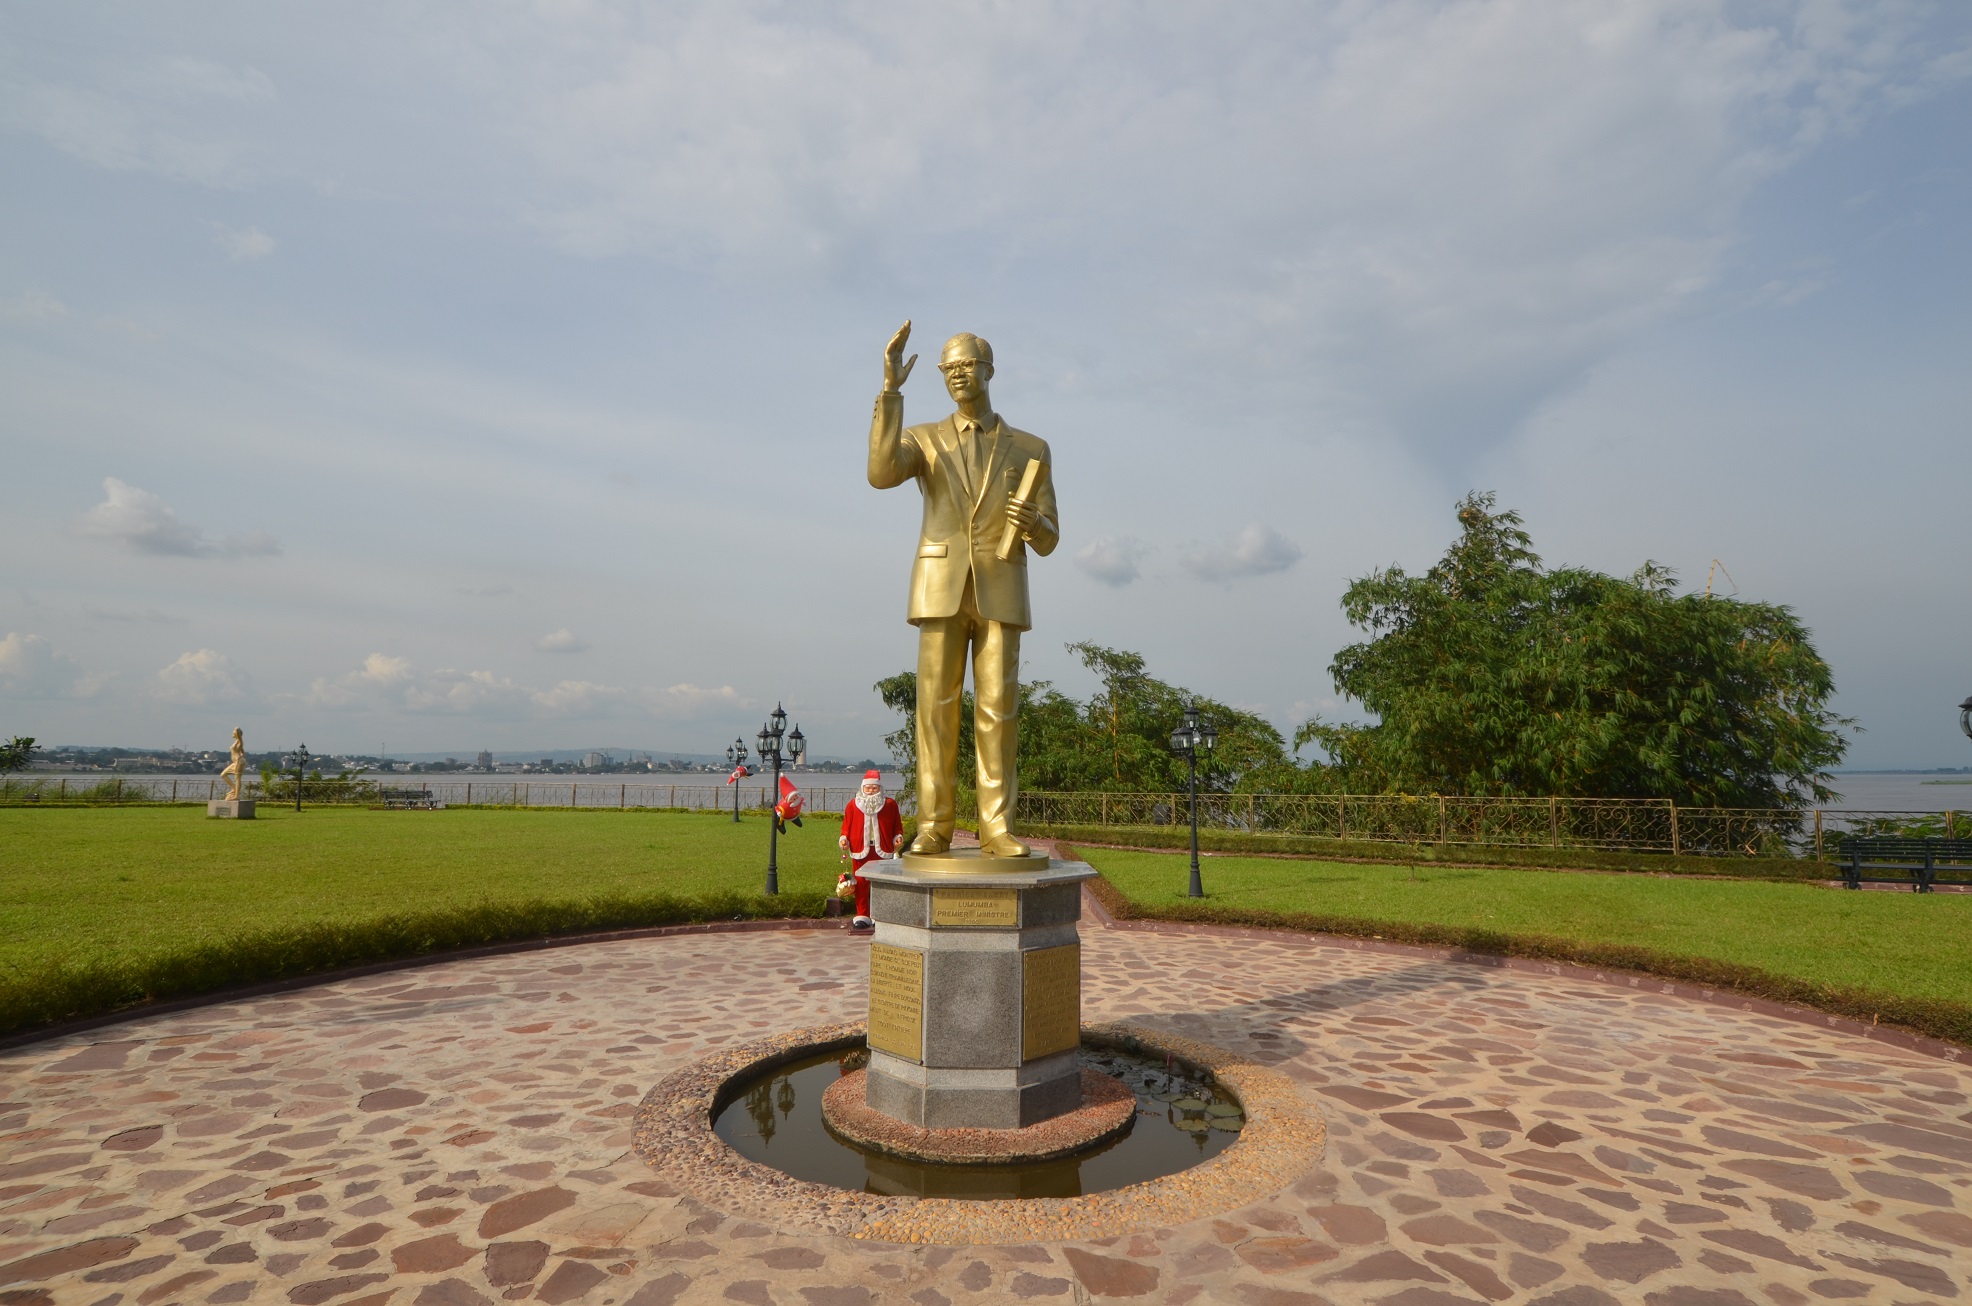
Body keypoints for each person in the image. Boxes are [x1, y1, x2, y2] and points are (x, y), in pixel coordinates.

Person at [866, 322, 1059, 857]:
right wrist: (890, 391)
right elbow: (881, 474)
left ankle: (996, 827)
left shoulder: (1030, 447)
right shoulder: (924, 439)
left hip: (1001, 586)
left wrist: (1034, 524)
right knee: (935, 710)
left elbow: (1050, 538)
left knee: (998, 710)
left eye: (966, 365)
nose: (956, 374)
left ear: (989, 369)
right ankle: (935, 825)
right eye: (947, 368)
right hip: (939, 585)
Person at [837, 770, 903, 928]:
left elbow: (897, 825)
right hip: (860, 849)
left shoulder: (889, 804)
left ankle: (880, 914)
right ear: (862, 788)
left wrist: (898, 836)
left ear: (880, 788)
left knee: (881, 883)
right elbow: (846, 826)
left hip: (883, 848)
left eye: (874, 788)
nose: (871, 791)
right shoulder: (853, 805)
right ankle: (862, 914)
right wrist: (844, 839)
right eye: (868, 788)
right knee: (860, 883)